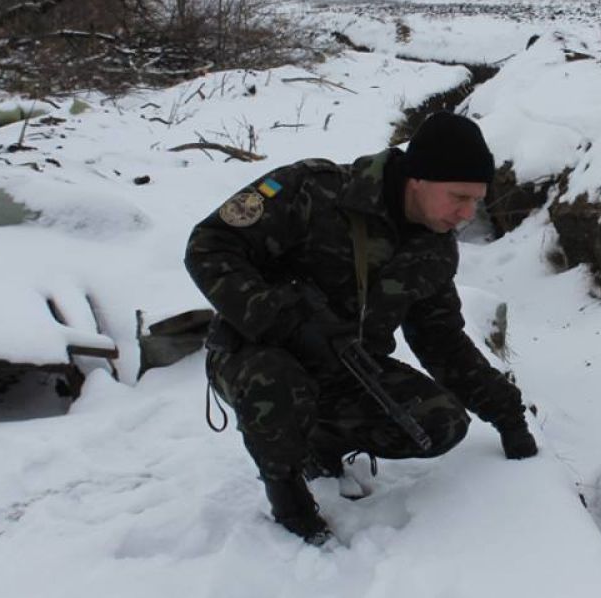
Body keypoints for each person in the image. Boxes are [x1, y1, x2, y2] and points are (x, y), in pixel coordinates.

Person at [184, 111, 538, 544]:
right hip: (253, 354)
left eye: (476, 202)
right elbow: (209, 245)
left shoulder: (434, 249)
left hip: (344, 367)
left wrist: (507, 413)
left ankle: (317, 441)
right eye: (458, 197)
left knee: (440, 425)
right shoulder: (313, 191)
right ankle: (287, 493)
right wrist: (282, 319)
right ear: (418, 179)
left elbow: (443, 342)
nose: (466, 215)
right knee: (275, 378)